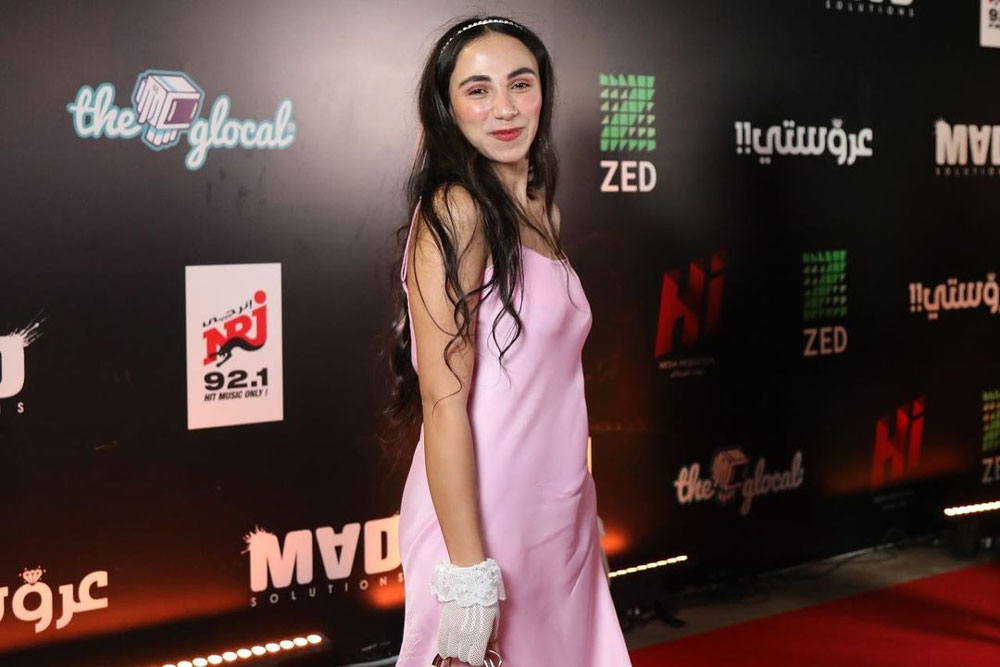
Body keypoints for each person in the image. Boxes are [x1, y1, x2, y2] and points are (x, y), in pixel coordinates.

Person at [380, 14, 633, 667]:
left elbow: (553, 386)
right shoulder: (456, 209)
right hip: (482, 513)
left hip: (558, 511)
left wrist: (579, 504)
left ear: (543, 91)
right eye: (478, 89)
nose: (504, 108)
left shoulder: (542, 207)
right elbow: (443, 404)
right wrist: (470, 575)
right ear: (447, 107)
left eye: (520, 84)